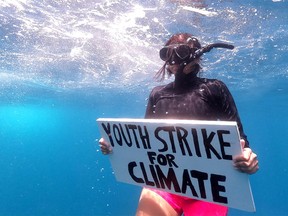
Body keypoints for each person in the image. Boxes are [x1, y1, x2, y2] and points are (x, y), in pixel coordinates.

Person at [99, 33, 259, 216]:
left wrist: (247, 157)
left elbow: (240, 140)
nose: (173, 60)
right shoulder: (157, 94)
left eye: (180, 51)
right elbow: (143, 142)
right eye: (168, 53)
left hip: (209, 188)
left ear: (196, 55)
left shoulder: (214, 88)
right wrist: (115, 146)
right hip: (163, 181)